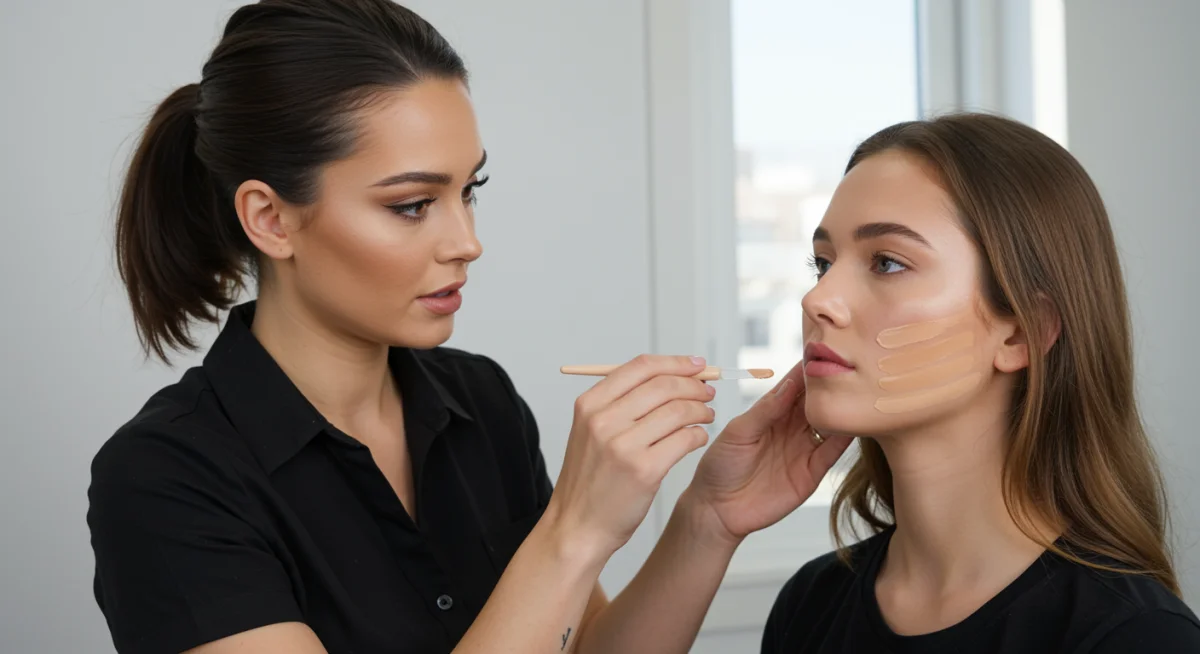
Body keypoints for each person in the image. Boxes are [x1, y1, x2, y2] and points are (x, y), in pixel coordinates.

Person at [87, 1, 852, 653]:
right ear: (270, 218)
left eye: (469, 190)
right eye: (412, 205)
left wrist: (706, 520)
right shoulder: (164, 479)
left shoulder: (478, 403)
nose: (466, 241)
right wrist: (574, 531)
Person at [760, 112, 1200, 653]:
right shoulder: (811, 603)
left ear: (1023, 332)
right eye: (823, 264)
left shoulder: (1136, 638)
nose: (817, 300)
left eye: (888, 263)